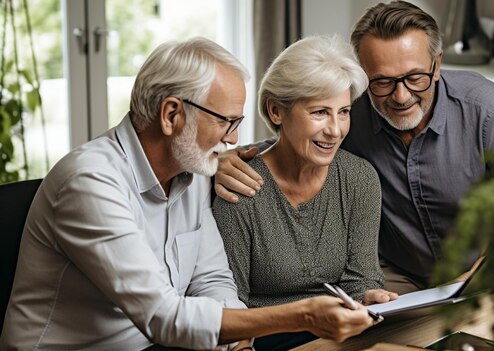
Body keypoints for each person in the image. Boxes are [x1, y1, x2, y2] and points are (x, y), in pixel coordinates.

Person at [0, 38, 377, 351]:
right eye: (225, 121)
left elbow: (212, 279)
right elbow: (162, 315)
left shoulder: (193, 172)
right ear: (170, 115)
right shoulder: (90, 182)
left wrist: (239, 343)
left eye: (237, 123)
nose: (232, 139)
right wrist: (302, 315)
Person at [214, 1, 494, 295]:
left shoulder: (485, 110)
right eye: (383, 81)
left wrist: (476, 279)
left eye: (414, 78)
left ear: (436, 65)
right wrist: (223, 159)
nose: (400, 97)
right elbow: (297, 137)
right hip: (399, 276)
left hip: (482, 271)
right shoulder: (351, 111)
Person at [212, 35, 398, 351]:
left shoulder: (359, 179)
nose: (336, 129)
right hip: (266, 338)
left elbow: (360, 280)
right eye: (319, 112)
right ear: (275, 111)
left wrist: (368, 296)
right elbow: (231, 304)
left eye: (343, 112)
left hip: (337, 333)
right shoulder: (241, 184)